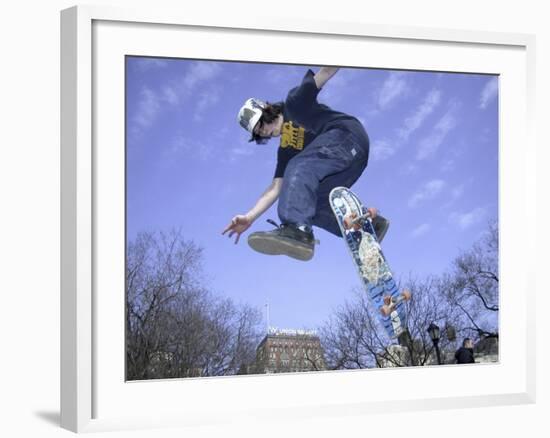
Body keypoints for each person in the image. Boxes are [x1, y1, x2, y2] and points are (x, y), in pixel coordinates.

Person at [223, 67, 387, 261]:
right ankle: (366, 226)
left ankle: (297, 230)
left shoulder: (294, 103)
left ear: (266, 110)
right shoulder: (286, 149)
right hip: (349, 165)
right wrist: (249, 217)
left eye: (261, 125)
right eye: (259, 134)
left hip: (347, 136)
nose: (264, 132)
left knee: (298, 166)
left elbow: (324, 74)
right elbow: (275, 188)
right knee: (311, 205)